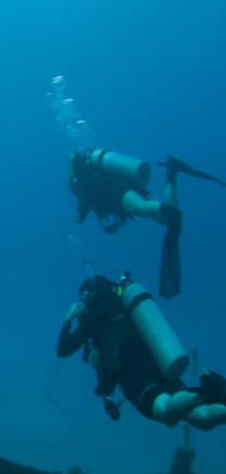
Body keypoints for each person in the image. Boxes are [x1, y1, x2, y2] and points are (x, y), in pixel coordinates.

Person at [56, 274, 226, 430]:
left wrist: (68, 319)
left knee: (165, 410)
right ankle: (207, 393)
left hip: (134, 374)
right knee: (197, 414)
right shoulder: (125, 307)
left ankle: (196, 395)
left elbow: (63, 350)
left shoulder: (96, 317)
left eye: (83, 299)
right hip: (160, 359)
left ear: (88, 295)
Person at [68, 150, 224, 298]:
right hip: (127, 187)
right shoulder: (93, 177)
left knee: (142, 208)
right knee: (166, 220)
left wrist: (80, 216)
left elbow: (85, 209)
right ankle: (172, 172)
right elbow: (111, 216)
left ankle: (170, 207)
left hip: (118, 192)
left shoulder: (82, 186)